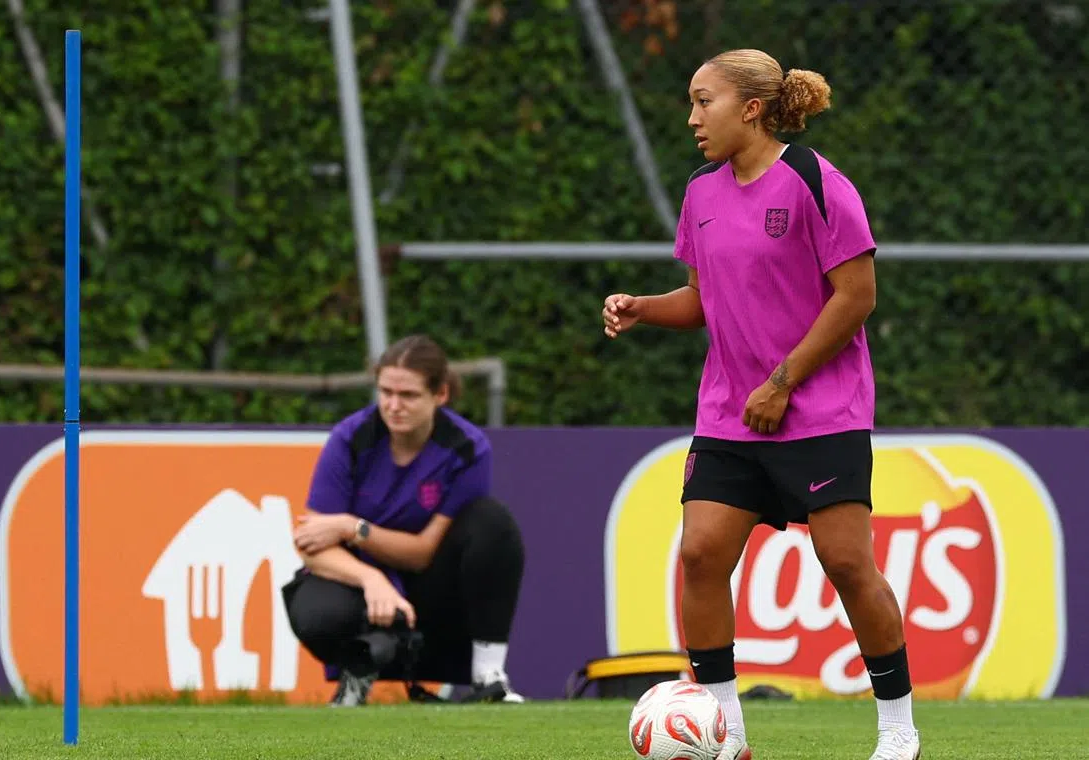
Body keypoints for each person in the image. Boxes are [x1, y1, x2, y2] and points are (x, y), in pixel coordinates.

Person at [603, 50, 919, 760]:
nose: (692, 118)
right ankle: (725, 735)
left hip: (821, 410)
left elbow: (857, 297)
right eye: (691, 102)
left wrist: (782, 382)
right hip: (730, 414)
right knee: (700, 554)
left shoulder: (816, 181)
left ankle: (899, 732)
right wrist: (643, 307)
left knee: (846, 563)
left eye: (703, 101)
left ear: (751, 108)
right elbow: (702, 300)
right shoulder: (700, 191)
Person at [282, 334, 526, 706]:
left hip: (429, 587)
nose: (394, 406)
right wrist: (371, 579)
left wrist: (352, 527)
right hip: (356, 586)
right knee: (318, 614)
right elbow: (310, 545)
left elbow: (422, 553)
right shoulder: (350, 437)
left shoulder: (468, 447)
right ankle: (357, 672)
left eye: (408, 395)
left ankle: (489, 677)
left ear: (440, 394)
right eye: (385, 392)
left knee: (493, 523)